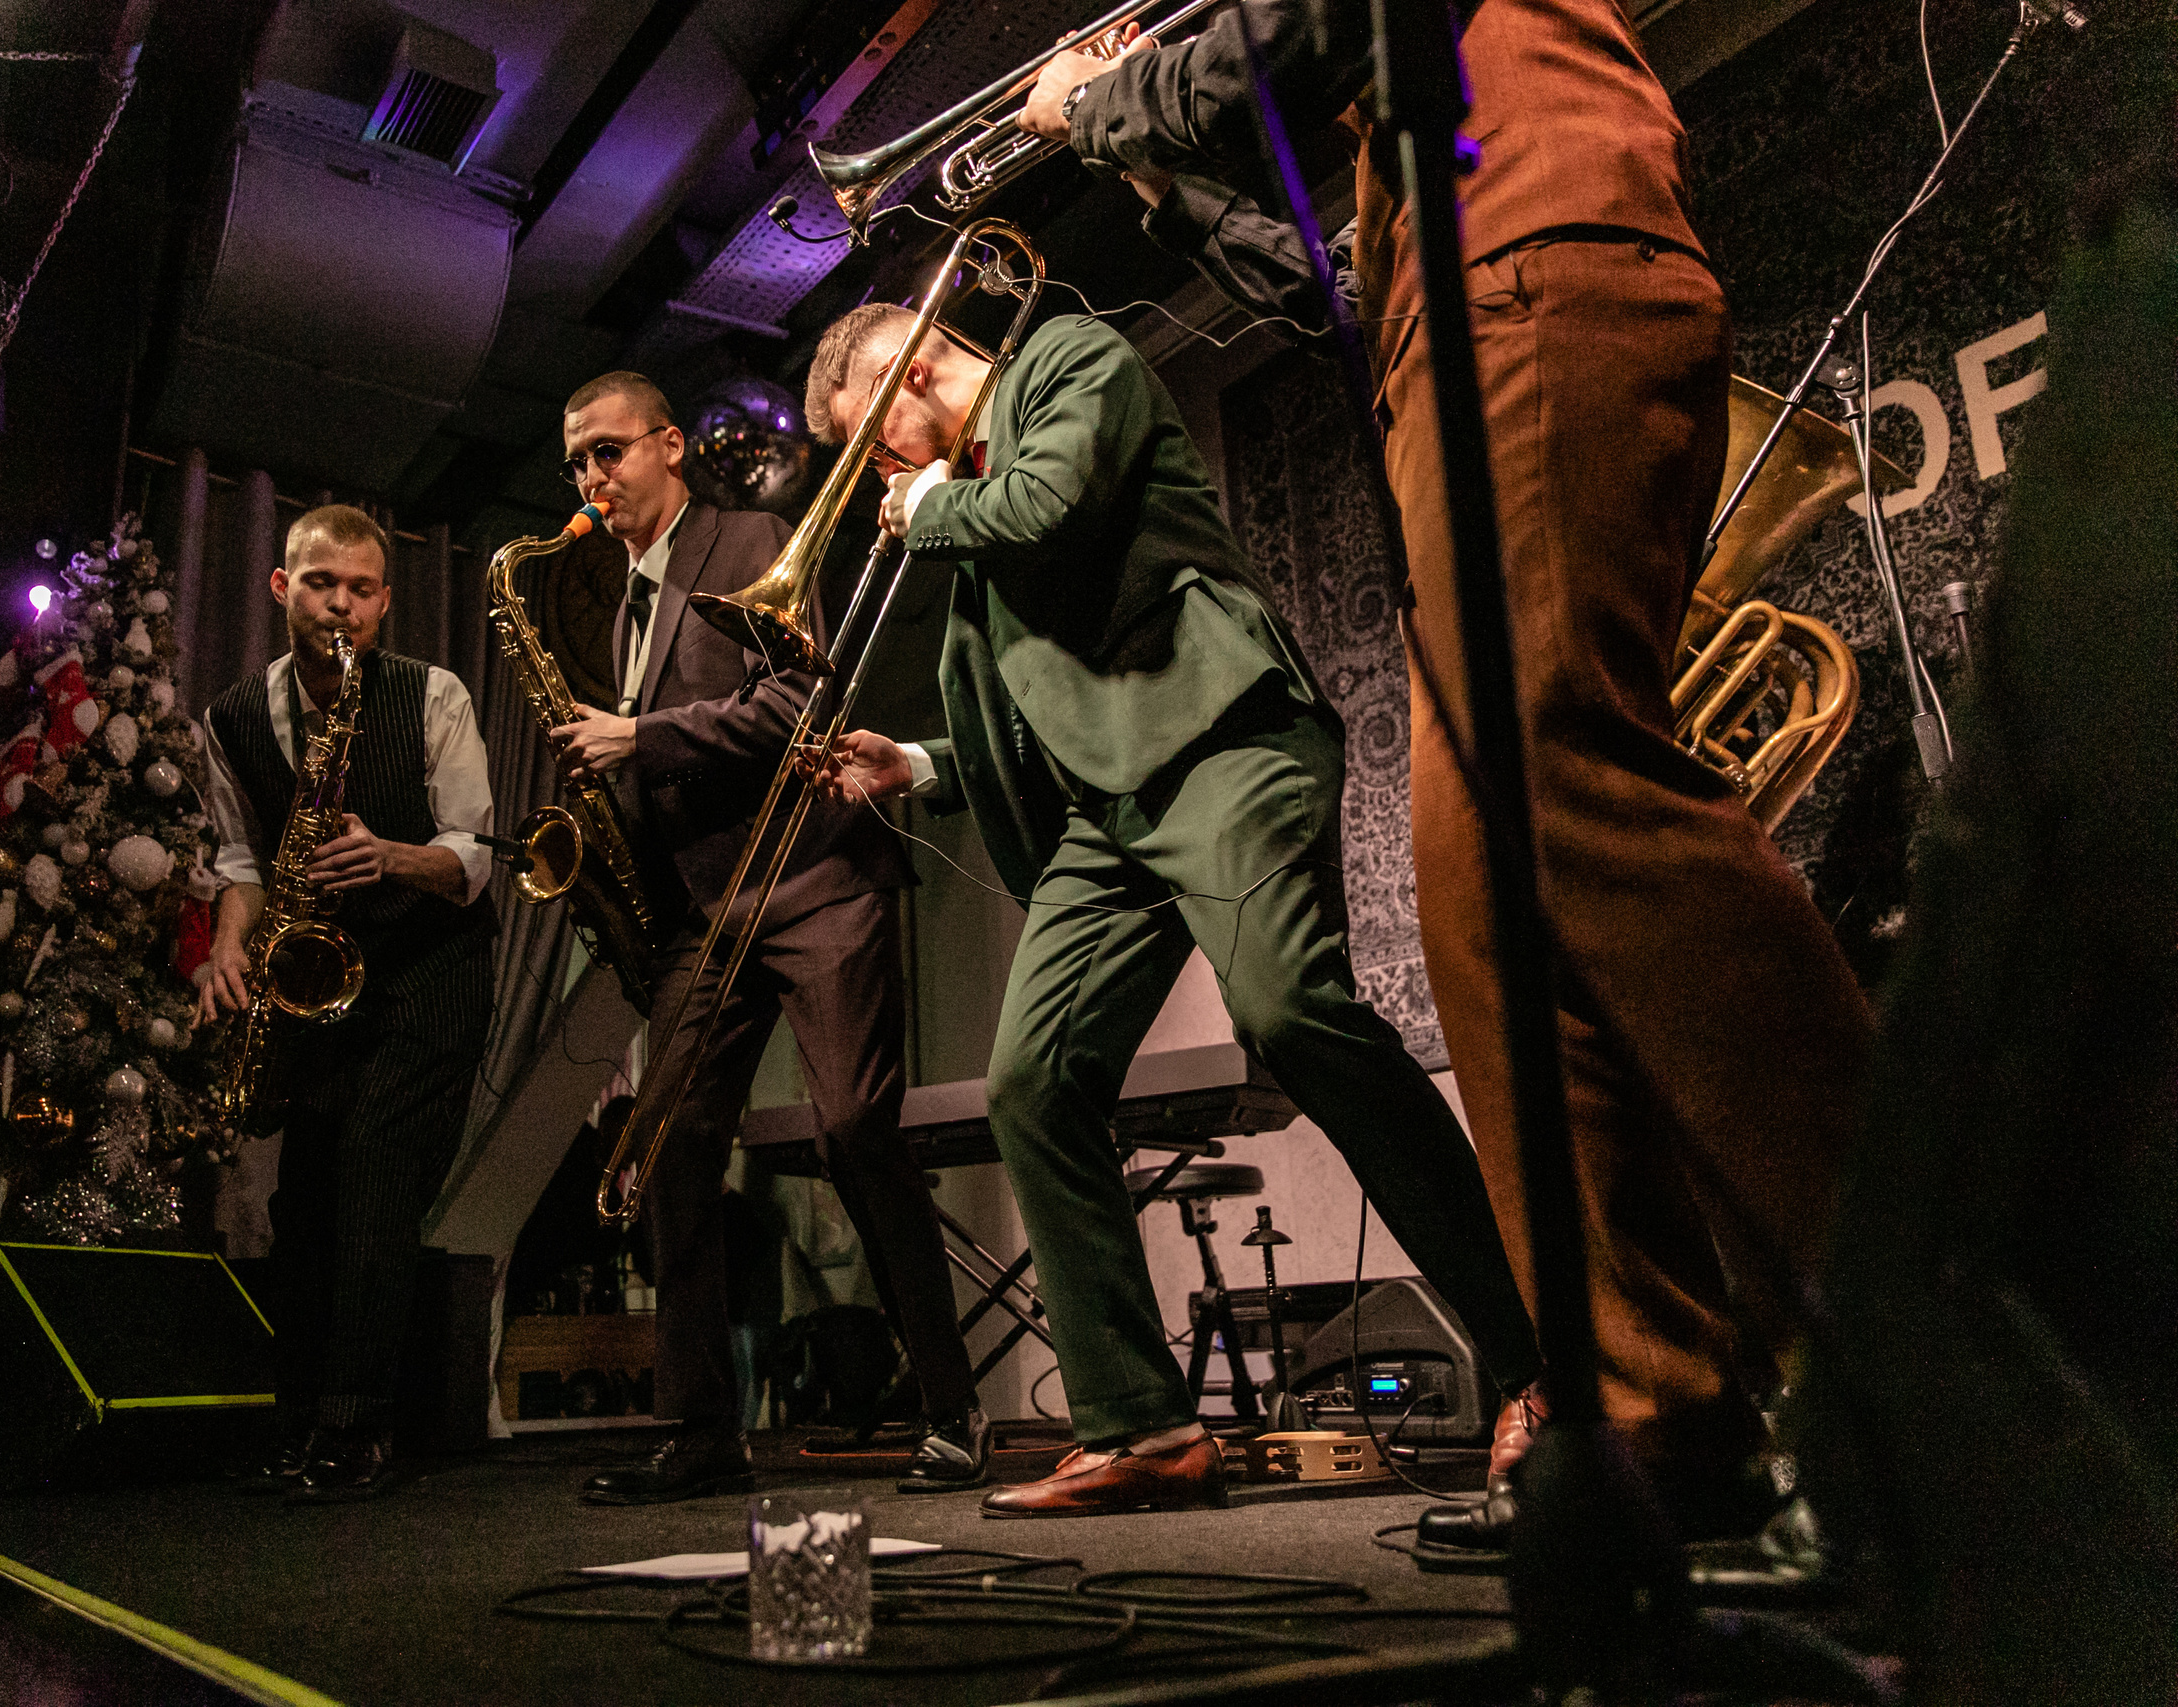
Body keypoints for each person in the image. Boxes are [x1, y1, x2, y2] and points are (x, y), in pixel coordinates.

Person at [1022, 0, 1877, 1547]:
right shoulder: (1405, 101)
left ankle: (1926, 1320)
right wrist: (1148, 166)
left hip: (1538, 268)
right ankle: (1654, 1410)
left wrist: (1107, 105)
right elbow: (1320, 286)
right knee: (1481, 898)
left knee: (1569, 784)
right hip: (1448, 320)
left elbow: (1292, 33)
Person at [805, 302, 1540, 1519]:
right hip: (1108, 807)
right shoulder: (976, 486)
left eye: (878, 440)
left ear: (917, 370)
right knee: (1033, 1081)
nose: (887, 471)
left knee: (1293, 1014)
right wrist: (924, 767)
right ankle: (1140, 1425)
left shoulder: (1066, 363)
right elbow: (1049, 697)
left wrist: (932, 505)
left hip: (1222, 742)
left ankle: (1536, 1363)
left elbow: (1051, 513)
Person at [546, 371, 989, 1501]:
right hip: (705, 912)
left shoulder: (748, 534)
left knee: (853, 1130)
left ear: (671, 445)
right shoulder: (616, 607)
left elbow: (802, 703)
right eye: (576, 461)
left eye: (607, 451)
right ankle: (698, 1433)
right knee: (672, 1150)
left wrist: (637, 736)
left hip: (814, 880)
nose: (591, 477)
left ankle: (951, 1407)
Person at [200, 503, 500, 1501]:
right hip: (319, 979)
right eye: (324, 584)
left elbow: (474, 851)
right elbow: (238, 857)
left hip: (430, 968)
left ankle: (357, 1425)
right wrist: (230, 942)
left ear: (384, 600)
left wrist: (388, 856)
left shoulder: (432, 695)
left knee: (376, 1171)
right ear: (283, 587)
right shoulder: (236, 714)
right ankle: (295, 1420)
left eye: (364, 590)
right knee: (306, 1197)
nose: (345, 605)